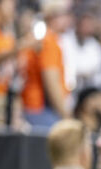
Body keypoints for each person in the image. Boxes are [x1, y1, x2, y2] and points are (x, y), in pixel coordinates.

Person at [20, 0, 71, 129]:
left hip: (35, 108)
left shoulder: (47, 39)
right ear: (52, 17)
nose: (69, 19)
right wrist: (67, 117)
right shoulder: (49, 42)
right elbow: (51, 83)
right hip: (40, 109)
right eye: (64, 14)